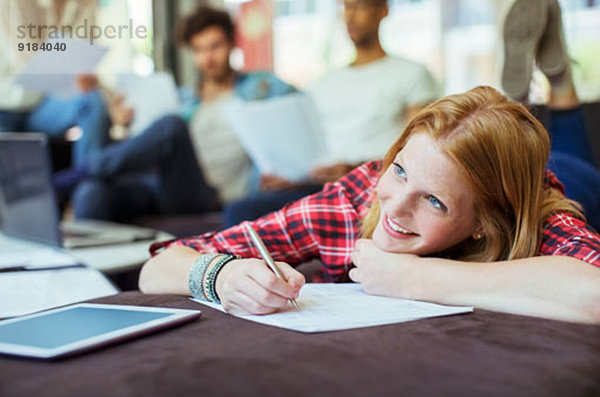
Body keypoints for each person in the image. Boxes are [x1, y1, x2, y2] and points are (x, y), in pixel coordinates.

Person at [138, 85, 600, 324]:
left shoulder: (537, 216)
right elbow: (155, 269)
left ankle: (554, 93)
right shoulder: (356, 197)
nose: (395, 208)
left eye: (434, 201)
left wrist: (416, 277)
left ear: (483, 222)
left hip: (565, 181)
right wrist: (222, 275)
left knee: (575, 162)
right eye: (398, 169)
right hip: (499, 169)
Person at [222, 0, 438, 227]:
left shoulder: (410, 74)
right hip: (317, 186)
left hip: (369, 184)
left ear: (382, 10)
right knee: (242, 211)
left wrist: (354, 170)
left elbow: (420, 153)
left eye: (359, 7)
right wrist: (291, 177)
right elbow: (309, 147)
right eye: (345, 7)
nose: (350, 16)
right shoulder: (323, 83)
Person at [68, 6, 295, 221]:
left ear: (232, 44)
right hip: (165, 183)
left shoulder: (259, 88)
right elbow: (150, 146)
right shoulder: (184, 99)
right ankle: (85, 177)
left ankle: (81, 171)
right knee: (91, 192)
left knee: (172, 125)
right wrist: (123, 123)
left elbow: (298, 109)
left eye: (215, 46)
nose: (207, 58)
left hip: (207, 196)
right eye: (199, 49)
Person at [501, 0, 599, 229]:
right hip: (541, 181)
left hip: (558, 187)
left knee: (569, 173)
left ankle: (553, 82)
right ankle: (523, 99)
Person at [0, 0, 111, 166]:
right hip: (5, 106)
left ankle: (88, 182)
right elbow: (25, 54)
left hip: (41, 105)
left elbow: (82, 62)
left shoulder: (83, 4)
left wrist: (107, 96)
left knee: (92, 100)